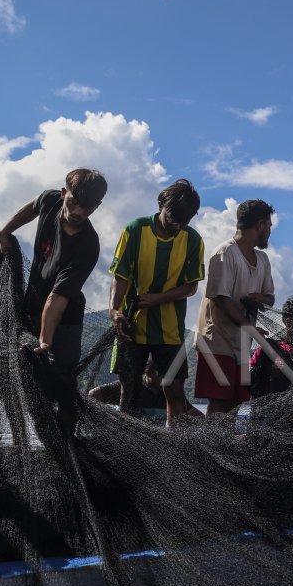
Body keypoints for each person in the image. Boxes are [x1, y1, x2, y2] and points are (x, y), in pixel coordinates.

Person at [0, 168, 107, 421]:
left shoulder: (88, 244)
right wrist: (5, 231)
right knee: (23, 374)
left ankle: (66, 440)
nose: (79, 212)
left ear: (98, 206)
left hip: (66, 318)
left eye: (88, 208)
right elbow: (32, 207)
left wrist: (45, 341)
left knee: (63, 380)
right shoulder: (49, 200)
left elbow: (57, 298)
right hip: (33, 305)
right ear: (63, 194)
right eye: (74, 203)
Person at [108, 178, 205, 426]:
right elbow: (120, 276)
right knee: (128, 391)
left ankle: (174, 445)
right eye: (173, 219)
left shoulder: (193, 240)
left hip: (170, 331)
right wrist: (114, 310)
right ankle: (125, 443)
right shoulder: (134, 230)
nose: (177, 226)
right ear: (162, 203)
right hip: (132, 327)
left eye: (184, 222)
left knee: (174, 389)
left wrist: (158, 299)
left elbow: (191, 286)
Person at [195, 199, 276, 416]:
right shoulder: (225, 253)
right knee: (219, 402)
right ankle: (212, 448)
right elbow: (222, 299)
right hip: (217, 342)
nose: (269, 231)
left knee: (235, 404)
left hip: (241, 344)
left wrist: (259, 299)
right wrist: (250, 328)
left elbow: (270, 298)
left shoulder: (263, 259)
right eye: (269, 226)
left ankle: (224, 448)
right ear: (259, 225)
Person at [89, 358, 164, 411]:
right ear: (148, 373)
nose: (167, 379)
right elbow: (93, 394)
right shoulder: (131, 385)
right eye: (162, 375)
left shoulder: (171, 387)